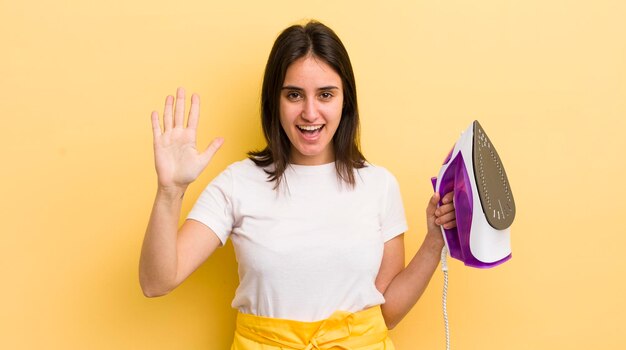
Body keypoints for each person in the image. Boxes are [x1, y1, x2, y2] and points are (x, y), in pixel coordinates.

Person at [139, 20, 456, 349]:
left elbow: (386, 313)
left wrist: (434, 241)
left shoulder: (379, 185)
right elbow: (156, 281)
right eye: (294, 95)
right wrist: (170, 192)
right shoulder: (237, 184)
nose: (310, 112)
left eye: (325, 95)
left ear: (344, 100)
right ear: (274, 101)